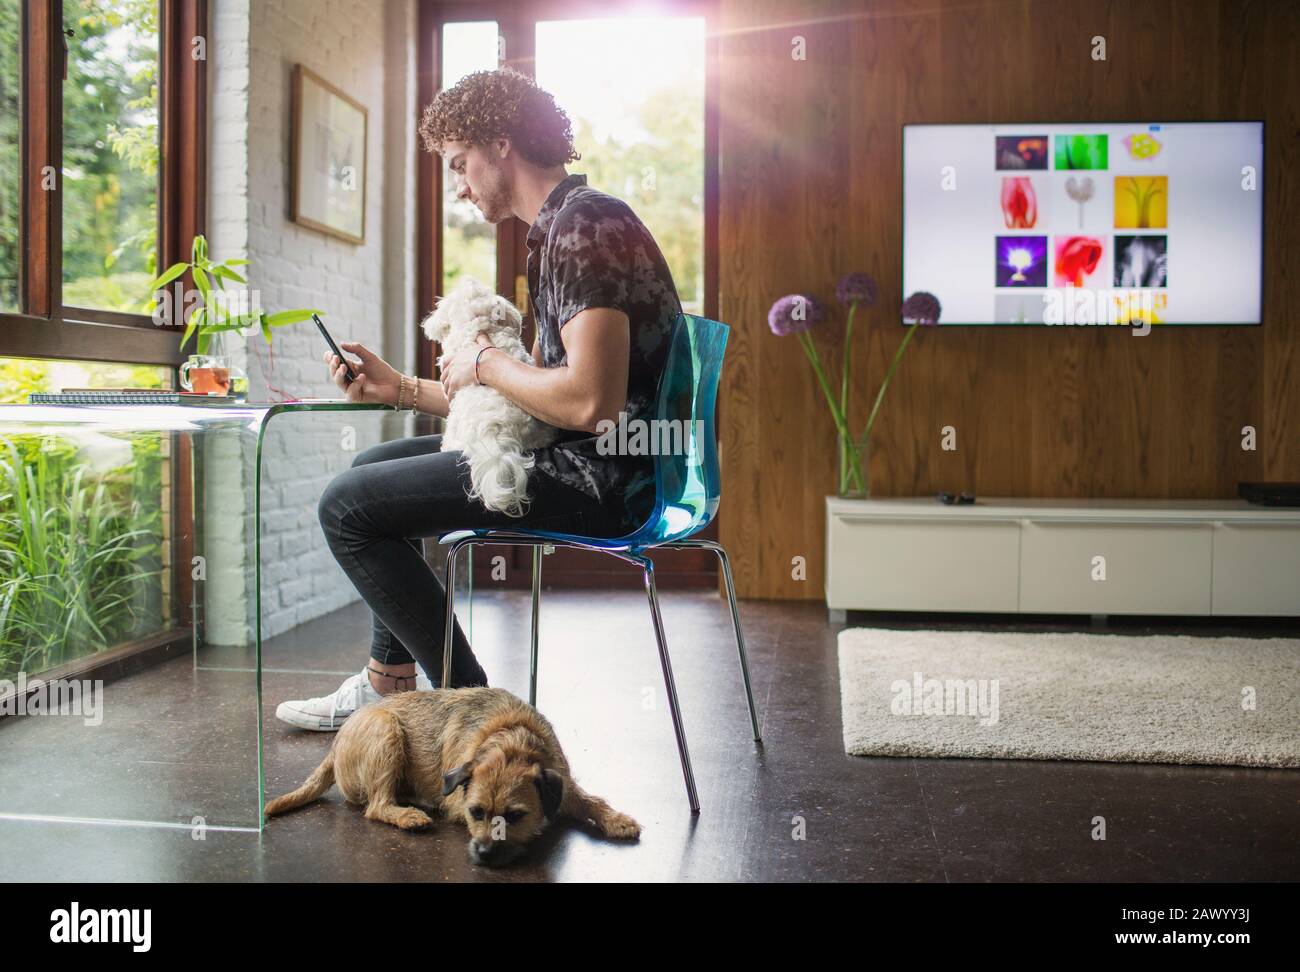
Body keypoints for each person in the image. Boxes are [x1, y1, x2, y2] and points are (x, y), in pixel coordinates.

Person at [275, 67, 683, 730]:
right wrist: (403, 389)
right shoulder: (565, 229)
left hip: (609, 477)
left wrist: (486, 362)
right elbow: (543, 404)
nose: (457, 186)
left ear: (501, 144)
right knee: (368, 474)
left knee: (346, 509)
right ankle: (389, 682)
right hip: (585, 457)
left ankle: (481, 717)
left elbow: (589, 406)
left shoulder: (586, 227)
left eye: (460, 164)